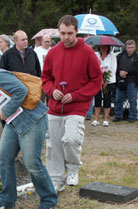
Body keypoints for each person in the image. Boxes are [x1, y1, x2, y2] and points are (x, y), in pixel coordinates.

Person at [0, 56, 57, 209]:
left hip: (32, 120)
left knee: (32, 163)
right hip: (13, 123)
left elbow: (22, 90)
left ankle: (49, 200)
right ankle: (7, 200)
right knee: (4, 159)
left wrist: (5, 111)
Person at [42, 15, 102, 192]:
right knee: (53, 145)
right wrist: (52, 90)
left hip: (77, 106)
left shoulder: (88, 52)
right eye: (62, 33)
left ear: (76, 31)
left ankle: (73, 168)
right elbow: (45, 78)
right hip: (54, 106)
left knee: (71, 139)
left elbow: (96, 81)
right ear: (58, 32)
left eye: (69, 33)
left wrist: (76, 95)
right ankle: (56, 180)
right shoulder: (53, 52)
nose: (66, 37)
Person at [113, 40, 138, 123]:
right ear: (125, 47)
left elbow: (137, 69)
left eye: (132, 47)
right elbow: (116, 66)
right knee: (118, 99)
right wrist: (120, 73)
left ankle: (132, 116)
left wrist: (126, 72)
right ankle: (118, 115)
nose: (130, 49)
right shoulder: (119, 56)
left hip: (132, 81)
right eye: (128, 47)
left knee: (132, 100)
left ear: (135, 47)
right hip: (121, 81)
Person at [91, 45, 117, 127]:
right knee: (97, 99)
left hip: (108, 82)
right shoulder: (96, 55)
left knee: (107, 98)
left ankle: (106, 119)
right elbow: (93, 67)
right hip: (97, 82)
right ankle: (97, 119)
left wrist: (107, 81)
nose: (104, 48)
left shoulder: (112, 56)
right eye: (102, 47)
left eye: (106, 47)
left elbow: (113, 69)